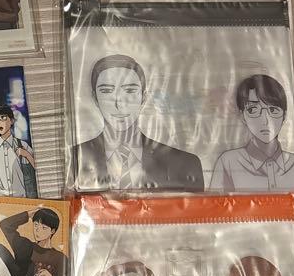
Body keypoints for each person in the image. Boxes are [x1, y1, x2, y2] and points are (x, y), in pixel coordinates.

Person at [72, 54, 203, 190]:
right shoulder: (73, 161)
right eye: (106, 91)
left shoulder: (186, 165)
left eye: (130, 91)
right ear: (95, 98)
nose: (119, 104)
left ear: (143, 98)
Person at [210, 74, 294, 191]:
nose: (265, 121)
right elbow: (215, 202)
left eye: (273, 110)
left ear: (284, 116)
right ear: (242, 116)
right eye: (253, 110)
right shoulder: (228, 162)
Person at [0, 106, 37, 197]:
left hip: (22, 199)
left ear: (11, 121)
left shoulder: (23, 145)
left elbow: (39, 172)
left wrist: (27, 155)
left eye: (2, 117)